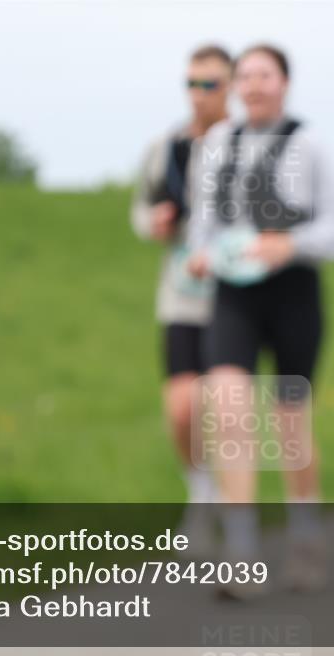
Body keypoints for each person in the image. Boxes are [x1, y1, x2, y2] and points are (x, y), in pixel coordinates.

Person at [187, 44, 334, 595]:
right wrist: (200, 254)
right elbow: (204, 220)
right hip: (233, 293)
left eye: (265, 75)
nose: (255, 85)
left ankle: (306, 536)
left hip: (293, 291)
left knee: (290, 425)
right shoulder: (218, 144)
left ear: (285, 83)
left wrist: (289, 245)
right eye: (246, 76)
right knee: (228, 408)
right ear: (236, 86)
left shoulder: (309, 145)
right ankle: (240, 551)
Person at [130, 45, 231, 549]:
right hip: (181, 293)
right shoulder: (167, 146)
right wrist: (157, 223)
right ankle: (200, 490)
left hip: (235, 295)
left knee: (226, 403)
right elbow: (141, 212)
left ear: (229, 87)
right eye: (192, 83)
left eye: (210, 84)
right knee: (182, 407)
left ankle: (239, 516)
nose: (199, 94)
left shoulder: (244, 145)